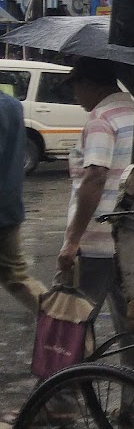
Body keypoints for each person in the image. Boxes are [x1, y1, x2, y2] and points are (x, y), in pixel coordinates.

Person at [57, 58, 134, 404]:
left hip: (97, 242)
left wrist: (72, 240)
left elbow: (95, 176)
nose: (76, 97)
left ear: (90, 84)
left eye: (75, 88)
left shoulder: (101, 119)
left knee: (73, 321)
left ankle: (60, 401)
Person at [0, 91, 44, 315]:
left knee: (16, 277)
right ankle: (64, 328)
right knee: (17, 278)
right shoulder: (12, 105)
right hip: (8, 205)